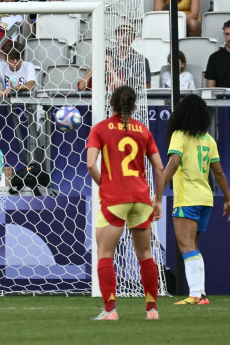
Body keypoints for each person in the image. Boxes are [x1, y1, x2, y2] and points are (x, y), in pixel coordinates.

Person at [86, 85, 164, 321]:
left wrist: (106, 185)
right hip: (141, 198)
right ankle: (152, 310)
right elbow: (159, 168)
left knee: (105, 253)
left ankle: (110, 311)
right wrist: (158, 200)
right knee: (145, 254)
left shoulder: (99, 129)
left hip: (115, 199)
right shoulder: (143, 131)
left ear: (111, 104)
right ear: (135, 106)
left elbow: (91, 164)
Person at [154, 94, 230, 306]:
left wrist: (158, 192)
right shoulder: (209, 140)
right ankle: (200, 294)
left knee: (186, 246)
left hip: (187, 198)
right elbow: (219, 173)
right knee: (193, 246)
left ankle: (196, 294)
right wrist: (228, 200)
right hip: (206, 199)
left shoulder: (179, 135)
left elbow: (173, 164)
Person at [109, 23, 151, 90]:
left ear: (134, 38)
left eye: (128, 34)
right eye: (121, 33)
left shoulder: (141, 60)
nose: (124, 36)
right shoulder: (108, 54)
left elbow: (146, 88)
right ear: (116, 36)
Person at [205, 19, 230, 90]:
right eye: (227, 34)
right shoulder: (214, 58)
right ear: (224, 34)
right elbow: (210, 90)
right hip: (221, 100)